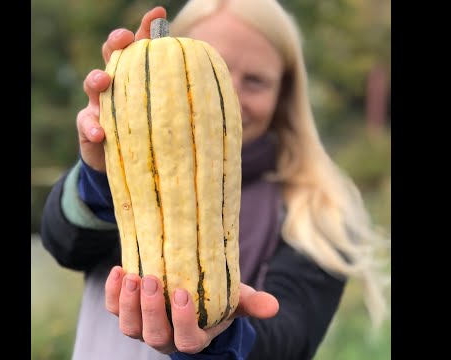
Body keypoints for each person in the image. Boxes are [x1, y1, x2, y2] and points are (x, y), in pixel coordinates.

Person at [40, 0, 389, 359]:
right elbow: (65, 244)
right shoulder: (126, 164)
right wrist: (100, 175)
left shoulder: (322, 210)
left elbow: (289, 341)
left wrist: (221, 342)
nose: (230, 96)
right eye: (212, 71)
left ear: (283, 95)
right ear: (166, 71)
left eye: (255, 80)